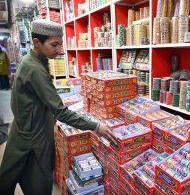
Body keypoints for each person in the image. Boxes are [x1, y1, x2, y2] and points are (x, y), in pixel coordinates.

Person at [0, 19, 116, 195]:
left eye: (60, 44)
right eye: (54, 45)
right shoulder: (36, 69)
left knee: (18, 176)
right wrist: (96, 126)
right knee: (38, 183)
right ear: (37, 43)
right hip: (34, 137)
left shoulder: (30, 60)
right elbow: (61, 113)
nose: (59, 50)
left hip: (24, 129)